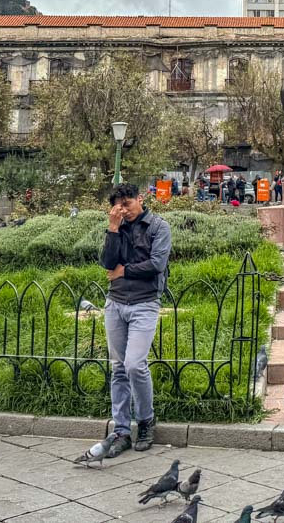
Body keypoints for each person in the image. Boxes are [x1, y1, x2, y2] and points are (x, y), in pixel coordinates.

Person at [99, 182, 172, 457]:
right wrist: (113, 230)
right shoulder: (117, 227)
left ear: (140, 199)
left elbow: (156, 264)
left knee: (134, 365)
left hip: (144, 303)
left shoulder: (158, 227)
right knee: (118, 367)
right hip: (116, 303)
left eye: (127, 204)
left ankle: (145, 420)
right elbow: (107, 263)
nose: (123, 210)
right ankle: (121, 430)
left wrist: (124, 271)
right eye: (118, 206)